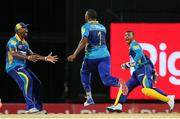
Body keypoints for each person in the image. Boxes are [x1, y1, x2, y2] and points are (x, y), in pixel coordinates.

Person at [67, 9, 128, 107]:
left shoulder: (85, 26)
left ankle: (89, 97)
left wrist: (74, 54)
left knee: (84, 72)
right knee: (106, 80)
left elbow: (84, 40)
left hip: (91, 57)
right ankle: (118, 82)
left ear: (87, 17)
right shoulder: (102, 27)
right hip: (105, 56)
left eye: (85, 16)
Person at [106, 31, 175, 112]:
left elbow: (139, 54)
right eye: (125, 35)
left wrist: (129, 64)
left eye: (129, 35)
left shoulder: (134, 45)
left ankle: (168, 99)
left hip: (143, 69)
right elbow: (145, 57)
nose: (126, 37)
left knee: (146, 90)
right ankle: (118, 105)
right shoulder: (132, 46)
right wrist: (153, 70)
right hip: (137, 72)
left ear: (133, 36)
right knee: (124, 87)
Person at [6, 22, 58, 113]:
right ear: (18, 30)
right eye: (24, 28)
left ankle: (38, 109)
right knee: (27, 79)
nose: (27, 30)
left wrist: (45, 58)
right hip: (13, 67)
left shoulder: (25, 43)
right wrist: (27, 57)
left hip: (23, 67)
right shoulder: (12, 41)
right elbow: (14, 53)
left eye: (26, 28)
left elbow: (32, 54)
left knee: (37, 83)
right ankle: (30, 107)